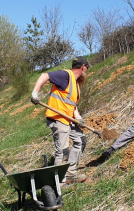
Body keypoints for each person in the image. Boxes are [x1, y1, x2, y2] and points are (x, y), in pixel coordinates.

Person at [31, 56, 90, 184]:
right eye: (87, 68)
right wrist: (35, 92)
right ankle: (59, 183)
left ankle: (70, 173)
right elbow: (44, 75)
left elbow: (71, 104)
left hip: (68, 120)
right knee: (63, 152)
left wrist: (78, 117)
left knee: (80, 140)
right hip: (58, 119)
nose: (87, 70)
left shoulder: (75, 83)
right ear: (83, 67)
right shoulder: (65, 75)